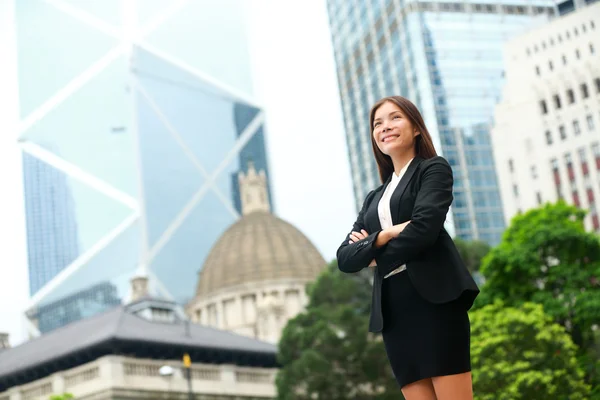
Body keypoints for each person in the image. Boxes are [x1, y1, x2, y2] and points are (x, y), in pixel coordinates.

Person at [337, 96, 480, 400]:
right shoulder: (374, 198)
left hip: (435, 301)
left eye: (395, 118)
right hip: (395, 310)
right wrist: (384, 235)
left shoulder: (433, 170)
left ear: (416, 127)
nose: (385, 127)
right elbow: (345, 258)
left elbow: (424, 229)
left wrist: (373, 255)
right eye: (378, 123)